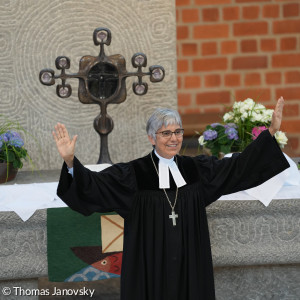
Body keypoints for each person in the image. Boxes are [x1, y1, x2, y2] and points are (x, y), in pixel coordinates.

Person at [53, 97, 289, 300]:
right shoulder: (133, 174)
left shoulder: (196, 169)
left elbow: (236, 168)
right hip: (150, 262)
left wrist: (270, 133)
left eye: (178, 132)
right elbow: (95, 186)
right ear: (151, 138)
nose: (173, 138)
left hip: (190, 259)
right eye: (166, 133)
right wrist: (71, 162)